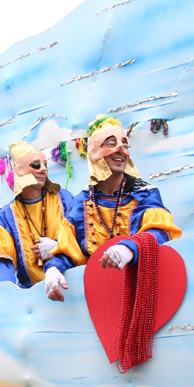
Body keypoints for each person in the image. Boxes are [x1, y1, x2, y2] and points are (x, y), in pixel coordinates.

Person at [44, 115, 182, 301]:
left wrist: (131, 248)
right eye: (111, 143)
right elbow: (68, 250)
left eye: (125, 145)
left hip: (143, 292)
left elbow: (161, 233)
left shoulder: (144, 194)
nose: (121, 149)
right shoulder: (82, 203)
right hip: (99, 297)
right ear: (94, 153)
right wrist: (53, 269)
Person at [0, 141, 74, 288]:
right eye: (36, 165)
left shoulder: (64, 199)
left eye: (45, 165)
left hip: (70, 289)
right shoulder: (6, 216)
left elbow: (83, 240)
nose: (43, 170)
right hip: (32, 298)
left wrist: (58, 246)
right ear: (19, 170)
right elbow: (2, 274)